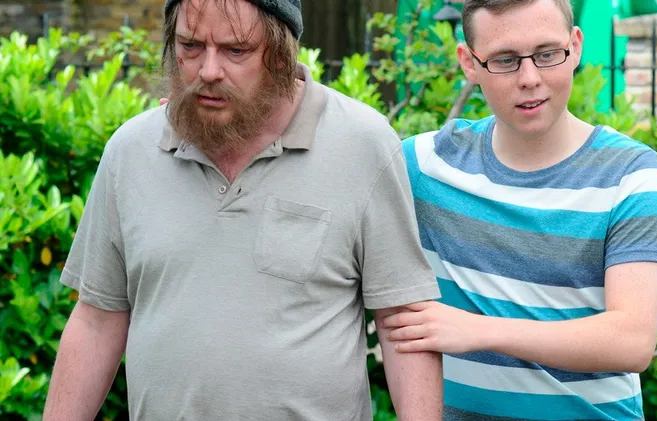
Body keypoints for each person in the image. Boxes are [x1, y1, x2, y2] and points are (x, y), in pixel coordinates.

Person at [42, 0, 443, 419]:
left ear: (282, 53)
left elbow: (405, 325)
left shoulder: (362, 144)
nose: (208, 71)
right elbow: (96, 320)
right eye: (190, 46)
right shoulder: (131, 150)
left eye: (236, 50)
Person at [382, 0, 657, 420]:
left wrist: (479, 331)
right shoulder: (426, 166)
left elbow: (631, 341)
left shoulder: (629, 174)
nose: (530, 78)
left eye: (547, 54)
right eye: (505, 60)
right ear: (469, 63)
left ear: (575, 47)